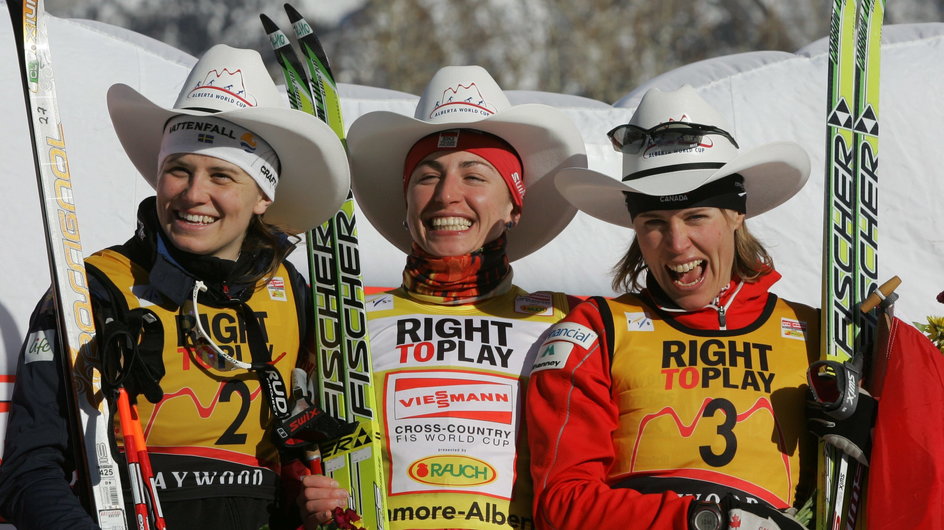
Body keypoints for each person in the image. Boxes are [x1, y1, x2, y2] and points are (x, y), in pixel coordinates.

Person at [0, 45, 350, 530]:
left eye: (221, 175)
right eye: (178, 170)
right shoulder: (92, 289)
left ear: (263, 197)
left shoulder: (291, 292)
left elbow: (292, 450)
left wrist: (306, 497)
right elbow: (29, 471)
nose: (192, 194)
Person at [297, 65, 588, 530]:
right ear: (406, 203)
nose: (446, 195)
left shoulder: (567, 322)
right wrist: (307, 490)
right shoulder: (345, 317)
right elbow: (299, 449)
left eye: (474, 176)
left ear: (515, 206)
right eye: (427, 177)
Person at [526, 86, 817, 530]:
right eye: (654, 223)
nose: (677, 245)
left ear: (737, 215)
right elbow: (563, 504)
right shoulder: (596, 330)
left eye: (696, 216)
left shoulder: (813, 330)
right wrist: (706, 522)